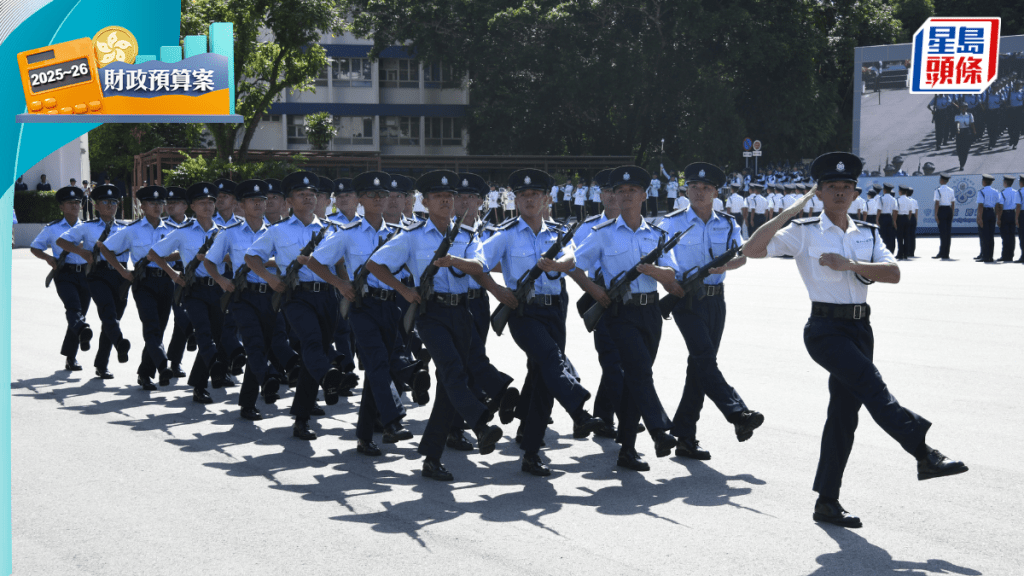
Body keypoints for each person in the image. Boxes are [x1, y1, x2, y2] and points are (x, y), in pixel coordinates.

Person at [743, 151, 968, 529]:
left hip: (861, 329)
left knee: (844, 416)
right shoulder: (802, 231)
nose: (841, 193)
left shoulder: (868, 232)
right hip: (825, 330)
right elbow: (752, 250)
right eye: (832, 186)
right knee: (872, 385)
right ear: (820, 192)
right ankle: (923, 452)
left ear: (855, 191)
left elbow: (893, 273)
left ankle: (827, 502)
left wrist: (850, 265)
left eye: (847, 186)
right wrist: (790, 210)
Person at [366, 170, 504, 482]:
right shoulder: (412, 236)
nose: (446, 200)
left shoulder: (467, 236)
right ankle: (481, 425)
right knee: (453, 370)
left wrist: (454, 261)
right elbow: (374, 264)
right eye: (439, 197)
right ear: (425, 202)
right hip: (431, 314)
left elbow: (480, 267)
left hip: (463, 312)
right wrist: (403, 290)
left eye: (451, 196)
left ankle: (431, 457)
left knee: (449, 387)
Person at [478, 169, 604, 476]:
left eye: (535, 195)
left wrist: (558, 264)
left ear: (546, 198)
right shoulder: (505, 233)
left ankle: (531, 453)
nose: (529, 200)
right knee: (551, 357)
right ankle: (578, 408)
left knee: (543, 382)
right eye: (523, 195)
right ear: (516, 200)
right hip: (523, 312)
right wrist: (498, 290)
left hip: (554, 309)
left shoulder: (557, 233)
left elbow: (571, 260)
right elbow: (478, 263)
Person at [569, 165, 682, 471]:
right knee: (639, 371)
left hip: (650, 311)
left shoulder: (657, 235)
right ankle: (659, 431)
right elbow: (575, 265)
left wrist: (653, 270)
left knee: (636, 378)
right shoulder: (602, 234)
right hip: (619, 312)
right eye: (621, 191)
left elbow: (672, 274)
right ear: (614, 197)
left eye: (633, 191)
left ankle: (627, 449)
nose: (626, 196)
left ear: (644, 195)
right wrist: (593, 289)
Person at [658, 162, 764, 461]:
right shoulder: (672, 222)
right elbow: (662, 259)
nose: (700, 192)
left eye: (706, 188)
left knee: (700, 366)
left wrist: (725, 265)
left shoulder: (727, 223)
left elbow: (741, 257)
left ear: (717, 192)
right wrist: (672, 279)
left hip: (717, 299)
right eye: (694, 187)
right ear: (687, 190)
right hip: (686, 299)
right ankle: (737, 413)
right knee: (704, 357)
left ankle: (684, 437)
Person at [306, 171, 413, 455]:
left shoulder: (400, 234)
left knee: (382, 368)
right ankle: (391, 420)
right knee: (377, 362)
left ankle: (365, 436)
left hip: (392, 305)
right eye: (371, 195)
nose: (378, 200)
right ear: (361, 200)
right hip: (363, 306)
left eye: (382, 195)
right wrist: (340, 283)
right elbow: (315, 262)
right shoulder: (348, 234)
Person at [246, 171, 342, 440]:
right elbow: (251, 257)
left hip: (327, 296)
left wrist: (345, 286)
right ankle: (328, 377)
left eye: (312, 193)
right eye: (301, 194)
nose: (309, 197)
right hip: (296, 296)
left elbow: (340, 262)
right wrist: (270, 278)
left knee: (318, 350)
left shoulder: (330, 228)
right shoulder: (278, 230)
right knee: (311, 343)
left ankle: (301, 418)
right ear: (289, 201)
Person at [205, 179, 289, 419]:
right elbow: (210, 261)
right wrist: (221, 280)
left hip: (272, 295)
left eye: (262, 200)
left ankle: (248, 402)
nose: (259, 204)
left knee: (268, 345)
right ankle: (269, 377)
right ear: (241, 205)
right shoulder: (229, 234)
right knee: (254, 344)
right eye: (253, 200)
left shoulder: (276, 232)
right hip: (243, 296)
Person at [149, 183, 227, 404]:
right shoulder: (181, 234)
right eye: (202, 202)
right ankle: (214, 366)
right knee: (203, 333)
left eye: (211, 202)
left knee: (217, 335)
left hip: (219, 289)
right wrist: (173, 274)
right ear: (192, 206)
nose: (208, 206)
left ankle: (199, 382)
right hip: (194, 289)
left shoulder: (224, 233)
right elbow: (155, 253)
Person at [97, 185, 177, 389]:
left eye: (160, 203)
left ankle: (144, 373)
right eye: (152, 203)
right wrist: (123, 272)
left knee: (159, 329)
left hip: (167, 281)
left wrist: (165, 258)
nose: (157, 207)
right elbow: (106, 248)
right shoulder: (131, 230)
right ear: (142, 206)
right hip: (144, 281)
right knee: (151, 327)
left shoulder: (172, 230)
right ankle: (162, 366)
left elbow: (183, 252)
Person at [56, 184, 133, 380]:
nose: (110, 205)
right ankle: (120, 342)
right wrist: (81, 252)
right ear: (96, 205)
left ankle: (101, 364)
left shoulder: (126, 228)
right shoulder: (87, 227)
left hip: (121, 276)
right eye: (105, 202)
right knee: (108, 312)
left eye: (114, 202)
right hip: (98, 275)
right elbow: (61, 241)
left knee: (113, 319)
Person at [29, 185, 92, 371]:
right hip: (64, 273)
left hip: (86, 274)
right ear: (61, 207)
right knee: (73, 307)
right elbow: (35, 247)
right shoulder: (52, 228)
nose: (75, 205)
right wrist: (48, 258)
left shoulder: (88, 228)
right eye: (70, 202)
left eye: (77, 202)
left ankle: (71, 356)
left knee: (79, 316)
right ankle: (81, 334)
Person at [163, 186, 193, 379]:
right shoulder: (160, 226)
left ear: (185, 206)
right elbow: (157, 253)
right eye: (169, 203)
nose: (171, 206)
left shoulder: (195, 225)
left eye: (176, 202)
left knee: (181, 319)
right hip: (166, 276)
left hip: (190, 277)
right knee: (176, 319)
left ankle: (174, 361)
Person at [975, 174, 999, 263]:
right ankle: (990, 256)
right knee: (990, 236)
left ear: (984, 182)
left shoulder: (981, 192)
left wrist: (979, 218)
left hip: (984, 213)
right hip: (992, 213)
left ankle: (985, 256)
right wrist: (995, 215)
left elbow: (980, 205)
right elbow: (997, 205)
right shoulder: (995, 191)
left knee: (984, 235)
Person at [997, 175, 1019, 262]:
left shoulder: (1002, 193)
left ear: (1005, 183)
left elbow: (1001, 206)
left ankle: (1005, 255)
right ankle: (1011, 255)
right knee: (1012, 236)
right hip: (1013, 213)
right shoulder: (1016, 192)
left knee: (1005, 236)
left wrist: (999, 218)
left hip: (1005, 215)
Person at [932, 174, 955, 259]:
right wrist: (952, 213)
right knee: (948, 233)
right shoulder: (951, 190)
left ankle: (942, 252)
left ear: (941, 180)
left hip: (942, 210)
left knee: (942, 233)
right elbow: (953, 203)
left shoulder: (938, 190)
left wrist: (935, 214)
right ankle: (946, 253)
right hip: (948, 210)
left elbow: (937, 203)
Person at [953, 103, 976, 171]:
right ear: (960, 108)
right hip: (960, 132)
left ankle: (962, 164)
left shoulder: (969, 115)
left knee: (966, 149)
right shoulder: (957, 115)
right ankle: (960, 160)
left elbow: (972, 124)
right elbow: (957, 123)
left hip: (967, 132)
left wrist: (974, 131)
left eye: (965, 107)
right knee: (959, 149)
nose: (963, 109)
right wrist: (958, 129)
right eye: (962, 107)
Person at [878, 183, 897, 253]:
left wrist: (877, 219)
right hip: (890, 217)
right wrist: (894, 221)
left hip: (882, 217)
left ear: (884, 190)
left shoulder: (881, 198)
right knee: (890, 234)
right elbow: (895, 211)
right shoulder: (893, 199)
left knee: (883, 234)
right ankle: (891, 250)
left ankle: (884, 250)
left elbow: (879, 210)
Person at [894, 185, 912, 260]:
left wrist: (894, 221)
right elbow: (910, 211)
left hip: (900, 218)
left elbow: (896, 211)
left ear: (900, 192)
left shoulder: (898, 200)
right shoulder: (909, 200)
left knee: (900, 237)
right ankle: (906, 254)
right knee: (906, 237)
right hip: (906, 218)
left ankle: (900, 253)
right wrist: (908, 219)